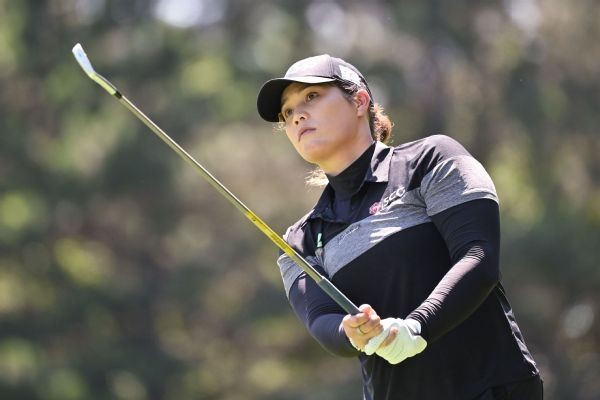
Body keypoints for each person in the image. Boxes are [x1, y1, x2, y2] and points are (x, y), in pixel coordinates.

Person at [256, 54, 543, 400]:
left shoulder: (431, 159)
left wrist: (417, 327)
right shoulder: (299, 241)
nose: (297, 115)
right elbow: (321, 320)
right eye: (287, 113)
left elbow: (478, 257)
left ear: (360, 101)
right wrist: (351, 332)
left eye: (312, 97)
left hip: (493, 389)